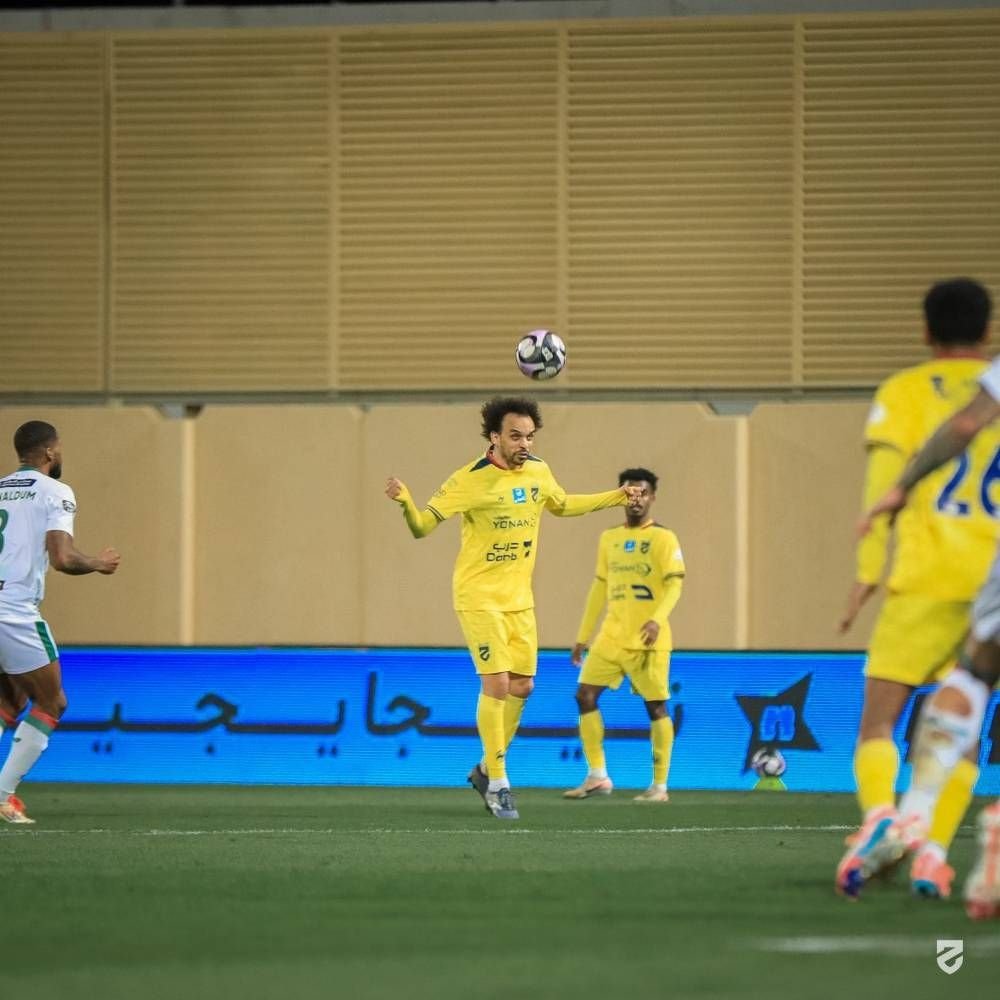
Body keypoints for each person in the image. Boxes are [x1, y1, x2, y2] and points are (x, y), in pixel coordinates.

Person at [385, 397, 635, 821]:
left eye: (529, 437)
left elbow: (562, 504)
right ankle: (500, 783)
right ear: (494, 437)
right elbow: (423, 527)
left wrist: (616, 497)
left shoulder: (538, 471)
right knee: (497, 684)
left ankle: (485, 769)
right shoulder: (469, 479)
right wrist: (408, 502)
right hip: (478, 597)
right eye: (515, 436)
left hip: (520, 600)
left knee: (522, 687)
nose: (524, 444)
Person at [835, 277, 998, 899]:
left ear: (925, 330)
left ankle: (882, 818)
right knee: (966, 726)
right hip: (991, 580)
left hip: (925, 577)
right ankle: (932, 852)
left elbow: (885, 485)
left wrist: (866, 572)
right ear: (987, 330)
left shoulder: (904, 393)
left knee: (879, 722)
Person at [0, 421, 121, 824]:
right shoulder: (55, 491)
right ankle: (3, 795)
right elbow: (63, 558)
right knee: (52, 702)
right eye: (60, 448)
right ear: (50, 452)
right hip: (14, 611)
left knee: (9, 702)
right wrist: (98, 563)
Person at [563, 468, 684, 803]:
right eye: (630, 493)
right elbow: (600, 587)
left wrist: (657, 619)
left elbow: (675, 585)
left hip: (647, 640)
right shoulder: (609, 538)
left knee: (655, 707)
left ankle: (659, 786)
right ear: (621, 496)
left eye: (643, 493)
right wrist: (583, 636)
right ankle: (597, 775)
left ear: (653, 497)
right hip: (611, 637)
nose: (636, 499)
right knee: (584, 695)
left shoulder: (664, 539)